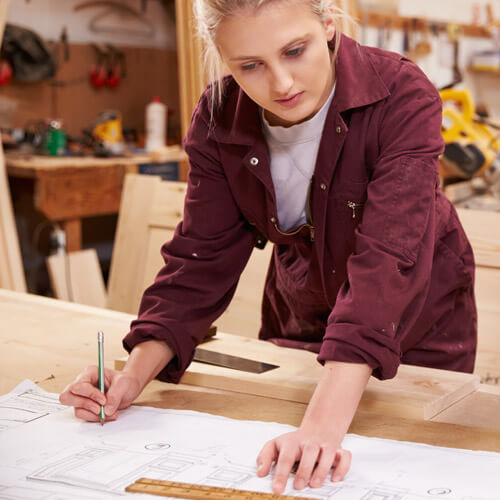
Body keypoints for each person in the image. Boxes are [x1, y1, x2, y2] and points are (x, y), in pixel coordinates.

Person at [60, 0, 477, 494]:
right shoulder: (218, 117)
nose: (281, 84)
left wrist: (321, 427)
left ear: (327, 25)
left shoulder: (402, 94)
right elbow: (200, 259)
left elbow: (389, 257)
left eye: (295, 51)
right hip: (301, 318)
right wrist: (132, 376)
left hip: (416, 322)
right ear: (224, 57)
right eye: (250, 66)